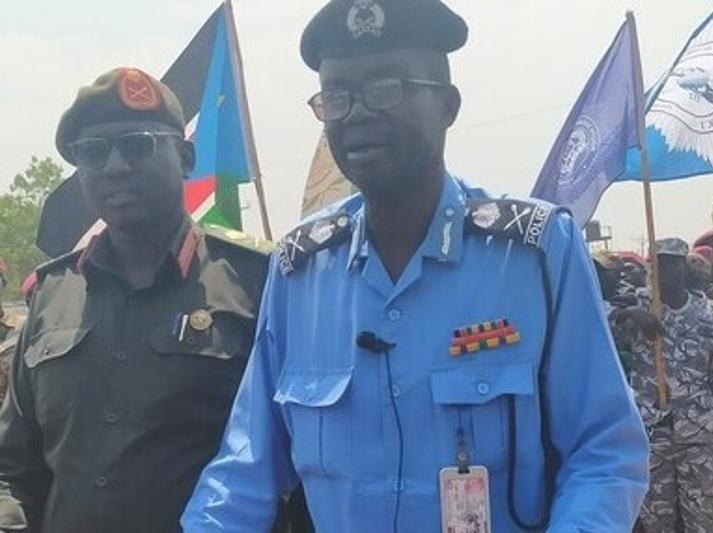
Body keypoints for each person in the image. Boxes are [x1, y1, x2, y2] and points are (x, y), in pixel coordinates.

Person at [182, 1, 648, 531]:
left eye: (385, 87)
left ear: (447, 104)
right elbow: (245, 469)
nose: (357, 113)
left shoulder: (535, 253)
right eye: (337, 96)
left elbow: (604, 452)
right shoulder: (299, 272)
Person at [0, 68, 306, 533]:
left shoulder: (258, 282)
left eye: (138, 145)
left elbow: (301, 456)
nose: (115, 166)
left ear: (185, 157)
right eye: (93, 151)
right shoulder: (51, 295)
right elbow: (13, 468)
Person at [625, 238, 713, 533]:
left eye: (669, 264)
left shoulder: (711, 315)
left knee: (703, 518)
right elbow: (592, 317)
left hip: (698, 433)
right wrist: (626, 315)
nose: (661, 272)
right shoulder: (638, 306)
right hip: (652, 434)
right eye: (656, 265)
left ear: (684, 267)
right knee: (656, 519)